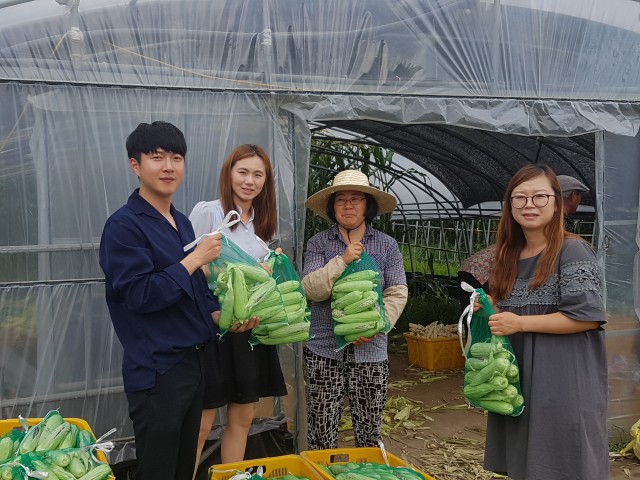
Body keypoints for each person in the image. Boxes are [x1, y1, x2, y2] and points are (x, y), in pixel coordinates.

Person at [99, 121, 227, 480]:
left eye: (176, 157)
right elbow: (140, 294)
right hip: (158, 371)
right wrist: (194, 260)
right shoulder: (124, 226)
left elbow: (196, 295)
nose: (169, 166)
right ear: (135, 165)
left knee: (183, 467)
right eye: (157, 157)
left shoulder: (181, 223)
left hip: (193, 363)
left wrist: (223, 317)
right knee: (158, 469)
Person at [476, 164, 608, 480]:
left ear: (556, 203)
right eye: (519, 198)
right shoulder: (508, 254)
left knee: (563, 462)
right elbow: (509, 311)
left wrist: (520, 324)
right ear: (509, 206)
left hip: (562, 381)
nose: (529, 205)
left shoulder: (572, 250)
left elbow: (586, 318)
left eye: (539, 196)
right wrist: (489, 308)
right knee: (527, 464)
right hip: (519, 380)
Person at [188, 144, 287, 470]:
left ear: (265, 181)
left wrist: (271, 269)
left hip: (249, 327)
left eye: (258, 174)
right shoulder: (210, 212)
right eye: (242, 172)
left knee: (242, 416)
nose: (249, 181)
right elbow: (187, 266)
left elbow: (257, 281)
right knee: (200, 424)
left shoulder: (263, 223)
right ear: (229, 174)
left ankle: (230, 477)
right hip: (212, 324)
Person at [301, 169, 409, 450]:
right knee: (321, 426)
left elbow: (397, 291)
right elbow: (312, 289)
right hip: (324, 349)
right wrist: (342, 260)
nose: (348, 206)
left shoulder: (386, 245)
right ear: (332, 206)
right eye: (340, 200)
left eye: (356, 199)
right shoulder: (319, 244)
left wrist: (377, 325)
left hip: (371, 350)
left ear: (367, 205)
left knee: (369, 428)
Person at [456, 244, 496, 309]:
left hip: (466, 269)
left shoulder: (503, 245)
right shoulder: (511, 249)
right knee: (479, 305)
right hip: (477, 274)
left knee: (469, 304)